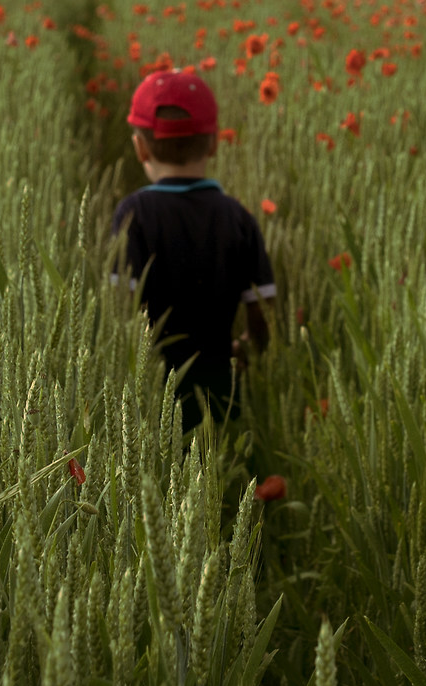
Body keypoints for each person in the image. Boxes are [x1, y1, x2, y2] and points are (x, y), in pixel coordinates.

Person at [110, 70, 275, 431]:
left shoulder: (133, 215)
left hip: (149, 400)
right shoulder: (239, 218)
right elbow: (263, 316)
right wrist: (244, 348)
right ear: (214, 143)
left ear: (140, 147)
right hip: (222, 394)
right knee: (219, 474)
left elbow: (118, 309)